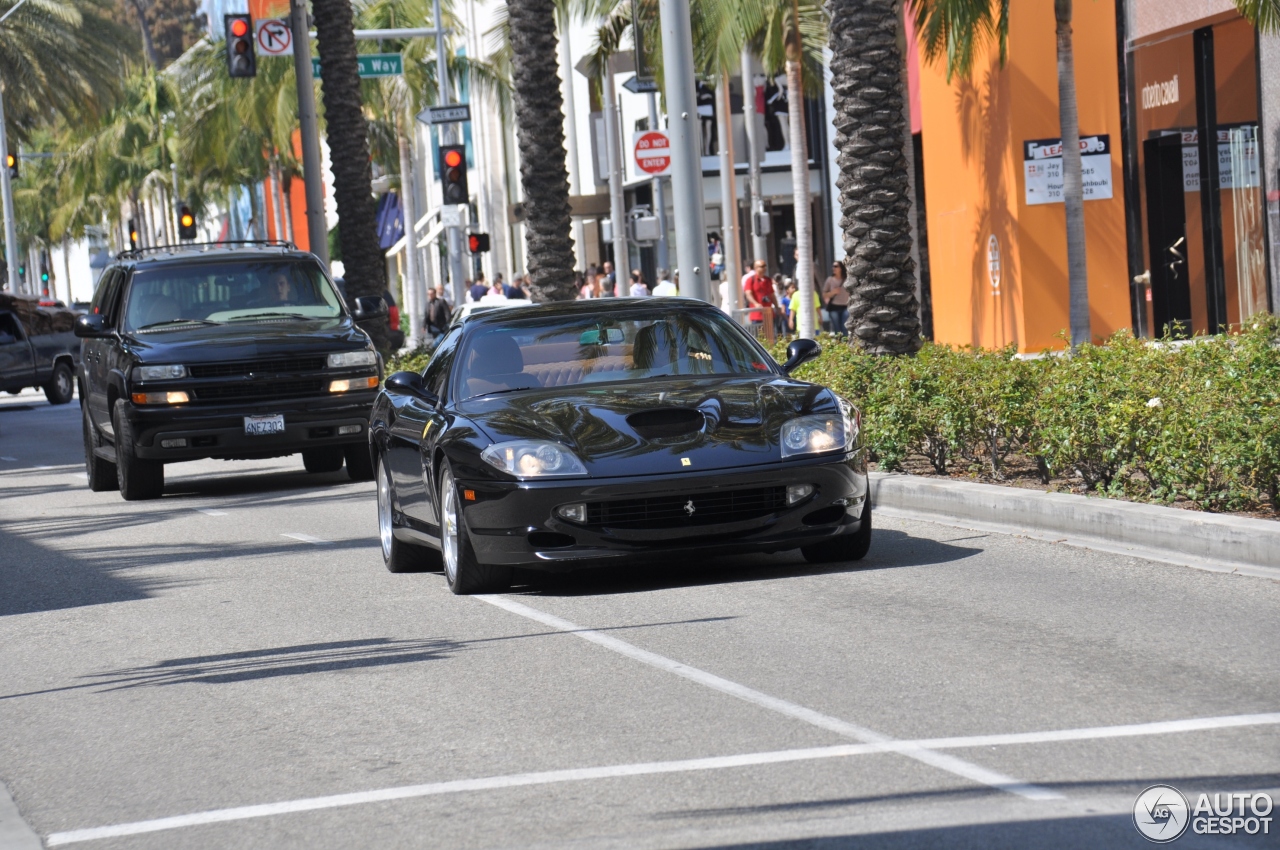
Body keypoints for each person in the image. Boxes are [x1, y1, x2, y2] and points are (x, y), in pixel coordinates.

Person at [742, 259, 778, 328]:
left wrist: (777, 307)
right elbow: (748, 294)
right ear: (756, 268)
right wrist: (756, 303)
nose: (765, 268)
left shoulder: (768, 280)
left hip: (768, 314)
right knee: (758, 336)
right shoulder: (750, 280)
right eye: (762, 266)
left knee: (771, 337)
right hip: (757, 315)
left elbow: (772, 295)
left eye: (765, 266)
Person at [822, 261, 850, 336]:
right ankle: (840, 345)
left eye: (836, 266)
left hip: (846, 307)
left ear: (841, 268)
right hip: (834, 307)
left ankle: (845, 344)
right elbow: (824, 295)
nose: (833, 268)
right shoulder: (830, 280)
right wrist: (833, 292)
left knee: (845, 327)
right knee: (837, 329)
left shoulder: (847, 279)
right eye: (833, 266)